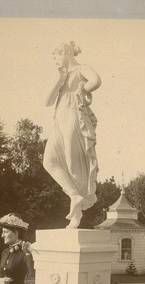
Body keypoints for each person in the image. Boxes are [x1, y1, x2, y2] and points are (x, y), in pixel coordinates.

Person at [43, 41, 102, 228]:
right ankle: (74, 195)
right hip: (59, 120)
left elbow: (96, 80)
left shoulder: (81, 68)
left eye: (56, 56)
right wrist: (58, 79)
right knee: (49, 161)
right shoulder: (60, 75)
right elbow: (47, 101)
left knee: (72, 164)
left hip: (74, 116)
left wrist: (82, 89)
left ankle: (77, 215)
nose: (55, 61)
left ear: (66, 53)